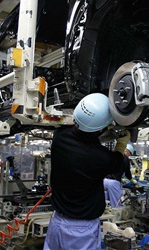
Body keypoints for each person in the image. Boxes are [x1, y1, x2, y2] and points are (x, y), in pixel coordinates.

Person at [44, 93, 130, 250]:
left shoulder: (59, 137)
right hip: (80, 231)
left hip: (57, 222)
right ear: (102, 128)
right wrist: (121, 143)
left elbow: (87, 141)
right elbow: (118, 163)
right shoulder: (100, 157)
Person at [104, 143, 138, 208]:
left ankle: (106, 217)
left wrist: (120, 178)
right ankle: (116, 217)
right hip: (113, 183)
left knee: (106, 203)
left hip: (104, 181)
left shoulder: (112, 155)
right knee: (116, 205)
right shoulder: (125, 158)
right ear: (127, 151)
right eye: (130, 153)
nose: (129, 155)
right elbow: (127, 172)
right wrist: (132, 180)